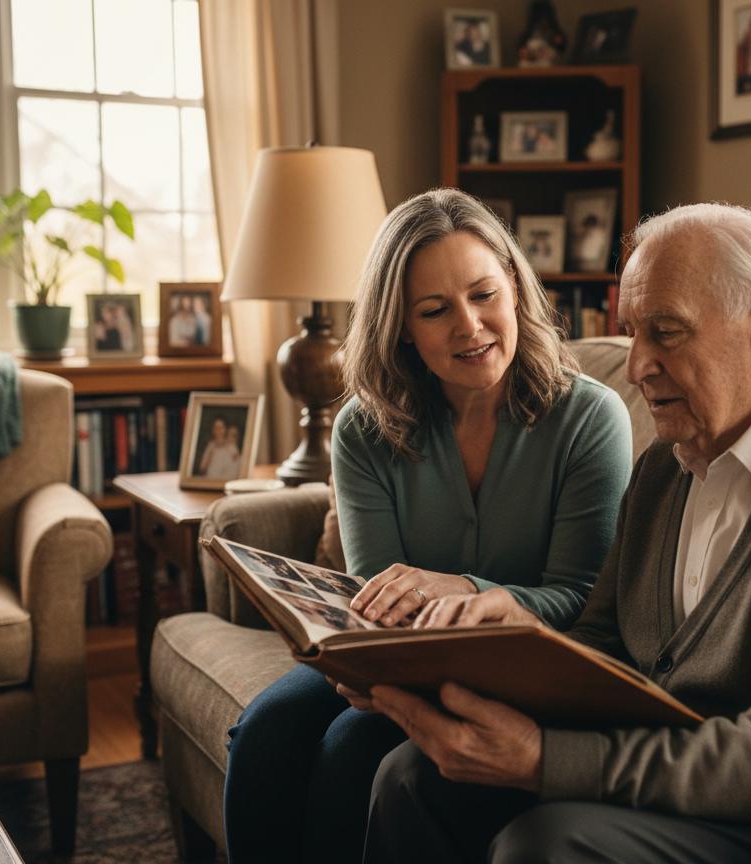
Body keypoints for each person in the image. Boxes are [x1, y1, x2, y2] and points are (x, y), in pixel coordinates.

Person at [362, 203, 751, 864]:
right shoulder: (671, 459)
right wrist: (499, 651)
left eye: (666, 333)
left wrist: (544, 759)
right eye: (632, 334)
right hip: (688, 770)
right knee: (411, 779)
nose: (635, 367)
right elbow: (604, 644)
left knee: (545, 845)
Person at [222, 187, 633, 864]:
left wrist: (464, 589)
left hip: (522, 666)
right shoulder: (362, 426)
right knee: (266, 734)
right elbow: (372, 593)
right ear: (402, 327)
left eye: (484, 295)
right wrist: (358, 656)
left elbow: (581, 599)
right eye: (436, 311)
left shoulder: (590, 418)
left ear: (516, 292)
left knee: (349, 752)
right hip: (402, 653)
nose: (470, 327)